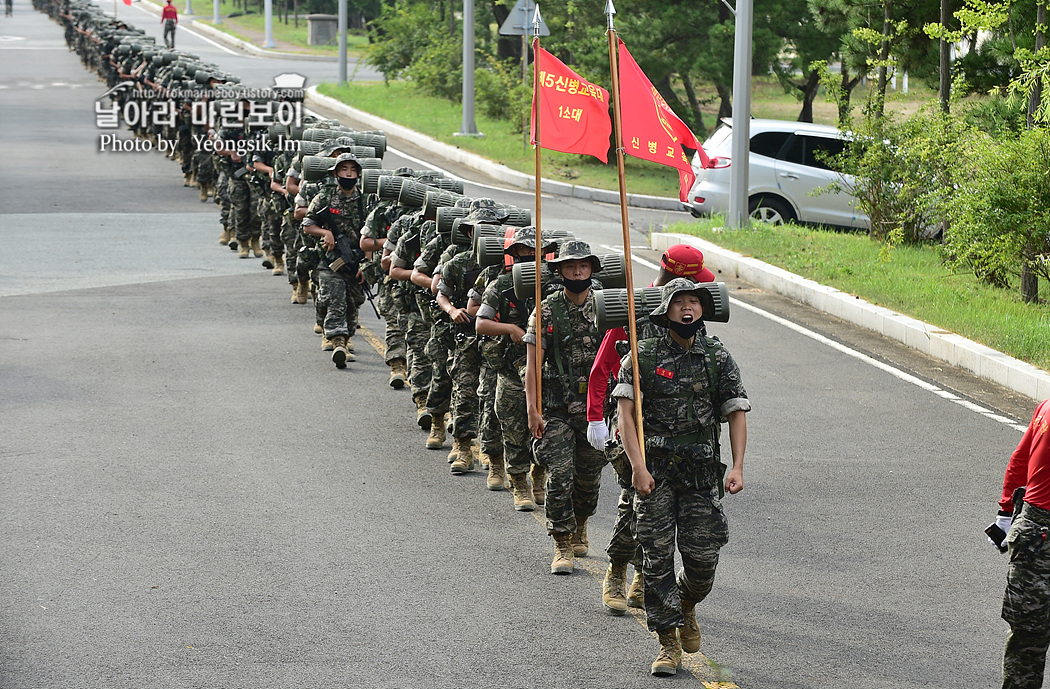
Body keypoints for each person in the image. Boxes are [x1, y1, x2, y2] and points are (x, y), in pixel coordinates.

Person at [613, 278, 749, 676]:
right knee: (655, 559)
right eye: (680, 302)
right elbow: (626, 414)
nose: (688, 308)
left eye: (695, 302)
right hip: (654, 471)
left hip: (701, 474)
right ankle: (667, 643)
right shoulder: (642, 355)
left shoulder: (717, 357)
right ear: (666, 310)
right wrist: (637, 466)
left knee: (703, 561)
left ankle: (687, 604)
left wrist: (738, 466)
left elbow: (736, 410)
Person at [587, 245, 715, 615]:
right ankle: (617, 568)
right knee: (635, 502)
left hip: (677, 434)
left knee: (665, 513)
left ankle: (645, 577)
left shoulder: (690, 312)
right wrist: (597, 417)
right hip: (633, 427)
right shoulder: (633, 311)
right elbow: (602, 366)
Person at [523, 240, 607, 575]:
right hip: (556, 407)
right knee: (560, 475)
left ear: (591, 269)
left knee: (588, 479)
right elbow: (532, 364)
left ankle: (581, 522)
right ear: (560, 271)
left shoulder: (604, 305)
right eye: (570, 266)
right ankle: (561, 541)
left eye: (583, 266)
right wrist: (532, 409)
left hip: (594, 408)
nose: (577, 271)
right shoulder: (545, 310)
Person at [998, 399, 1050, 689]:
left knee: (1027, 641)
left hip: (1032, 529)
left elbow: (1020, 459)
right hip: (1039, 530)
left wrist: (1005, 512)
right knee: (1028, 637)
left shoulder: (1046, 406)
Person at [301, 153, 366, 368]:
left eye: (353, 170)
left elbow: (374, 235)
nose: (349, 173)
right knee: (335, 297)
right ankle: (339, 343)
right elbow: (307, 224)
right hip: (330, 260)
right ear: (336, 173)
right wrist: (324, 233)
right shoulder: (325, 197)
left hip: (356, 261)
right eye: (344, 169)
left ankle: (344, 338)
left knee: (352, 303)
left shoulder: (365, 201)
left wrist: (366, 263)